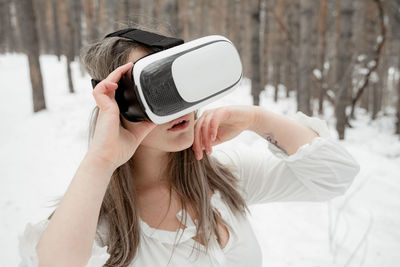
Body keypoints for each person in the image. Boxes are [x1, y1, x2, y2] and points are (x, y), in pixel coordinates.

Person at [18, 27, 360, 267]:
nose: (180, 106)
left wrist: (258, 119)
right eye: (157, 91)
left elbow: (337, 175)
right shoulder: (102, 220)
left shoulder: (224, 179)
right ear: (121, 105)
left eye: (182, 84)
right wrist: (102, 158)